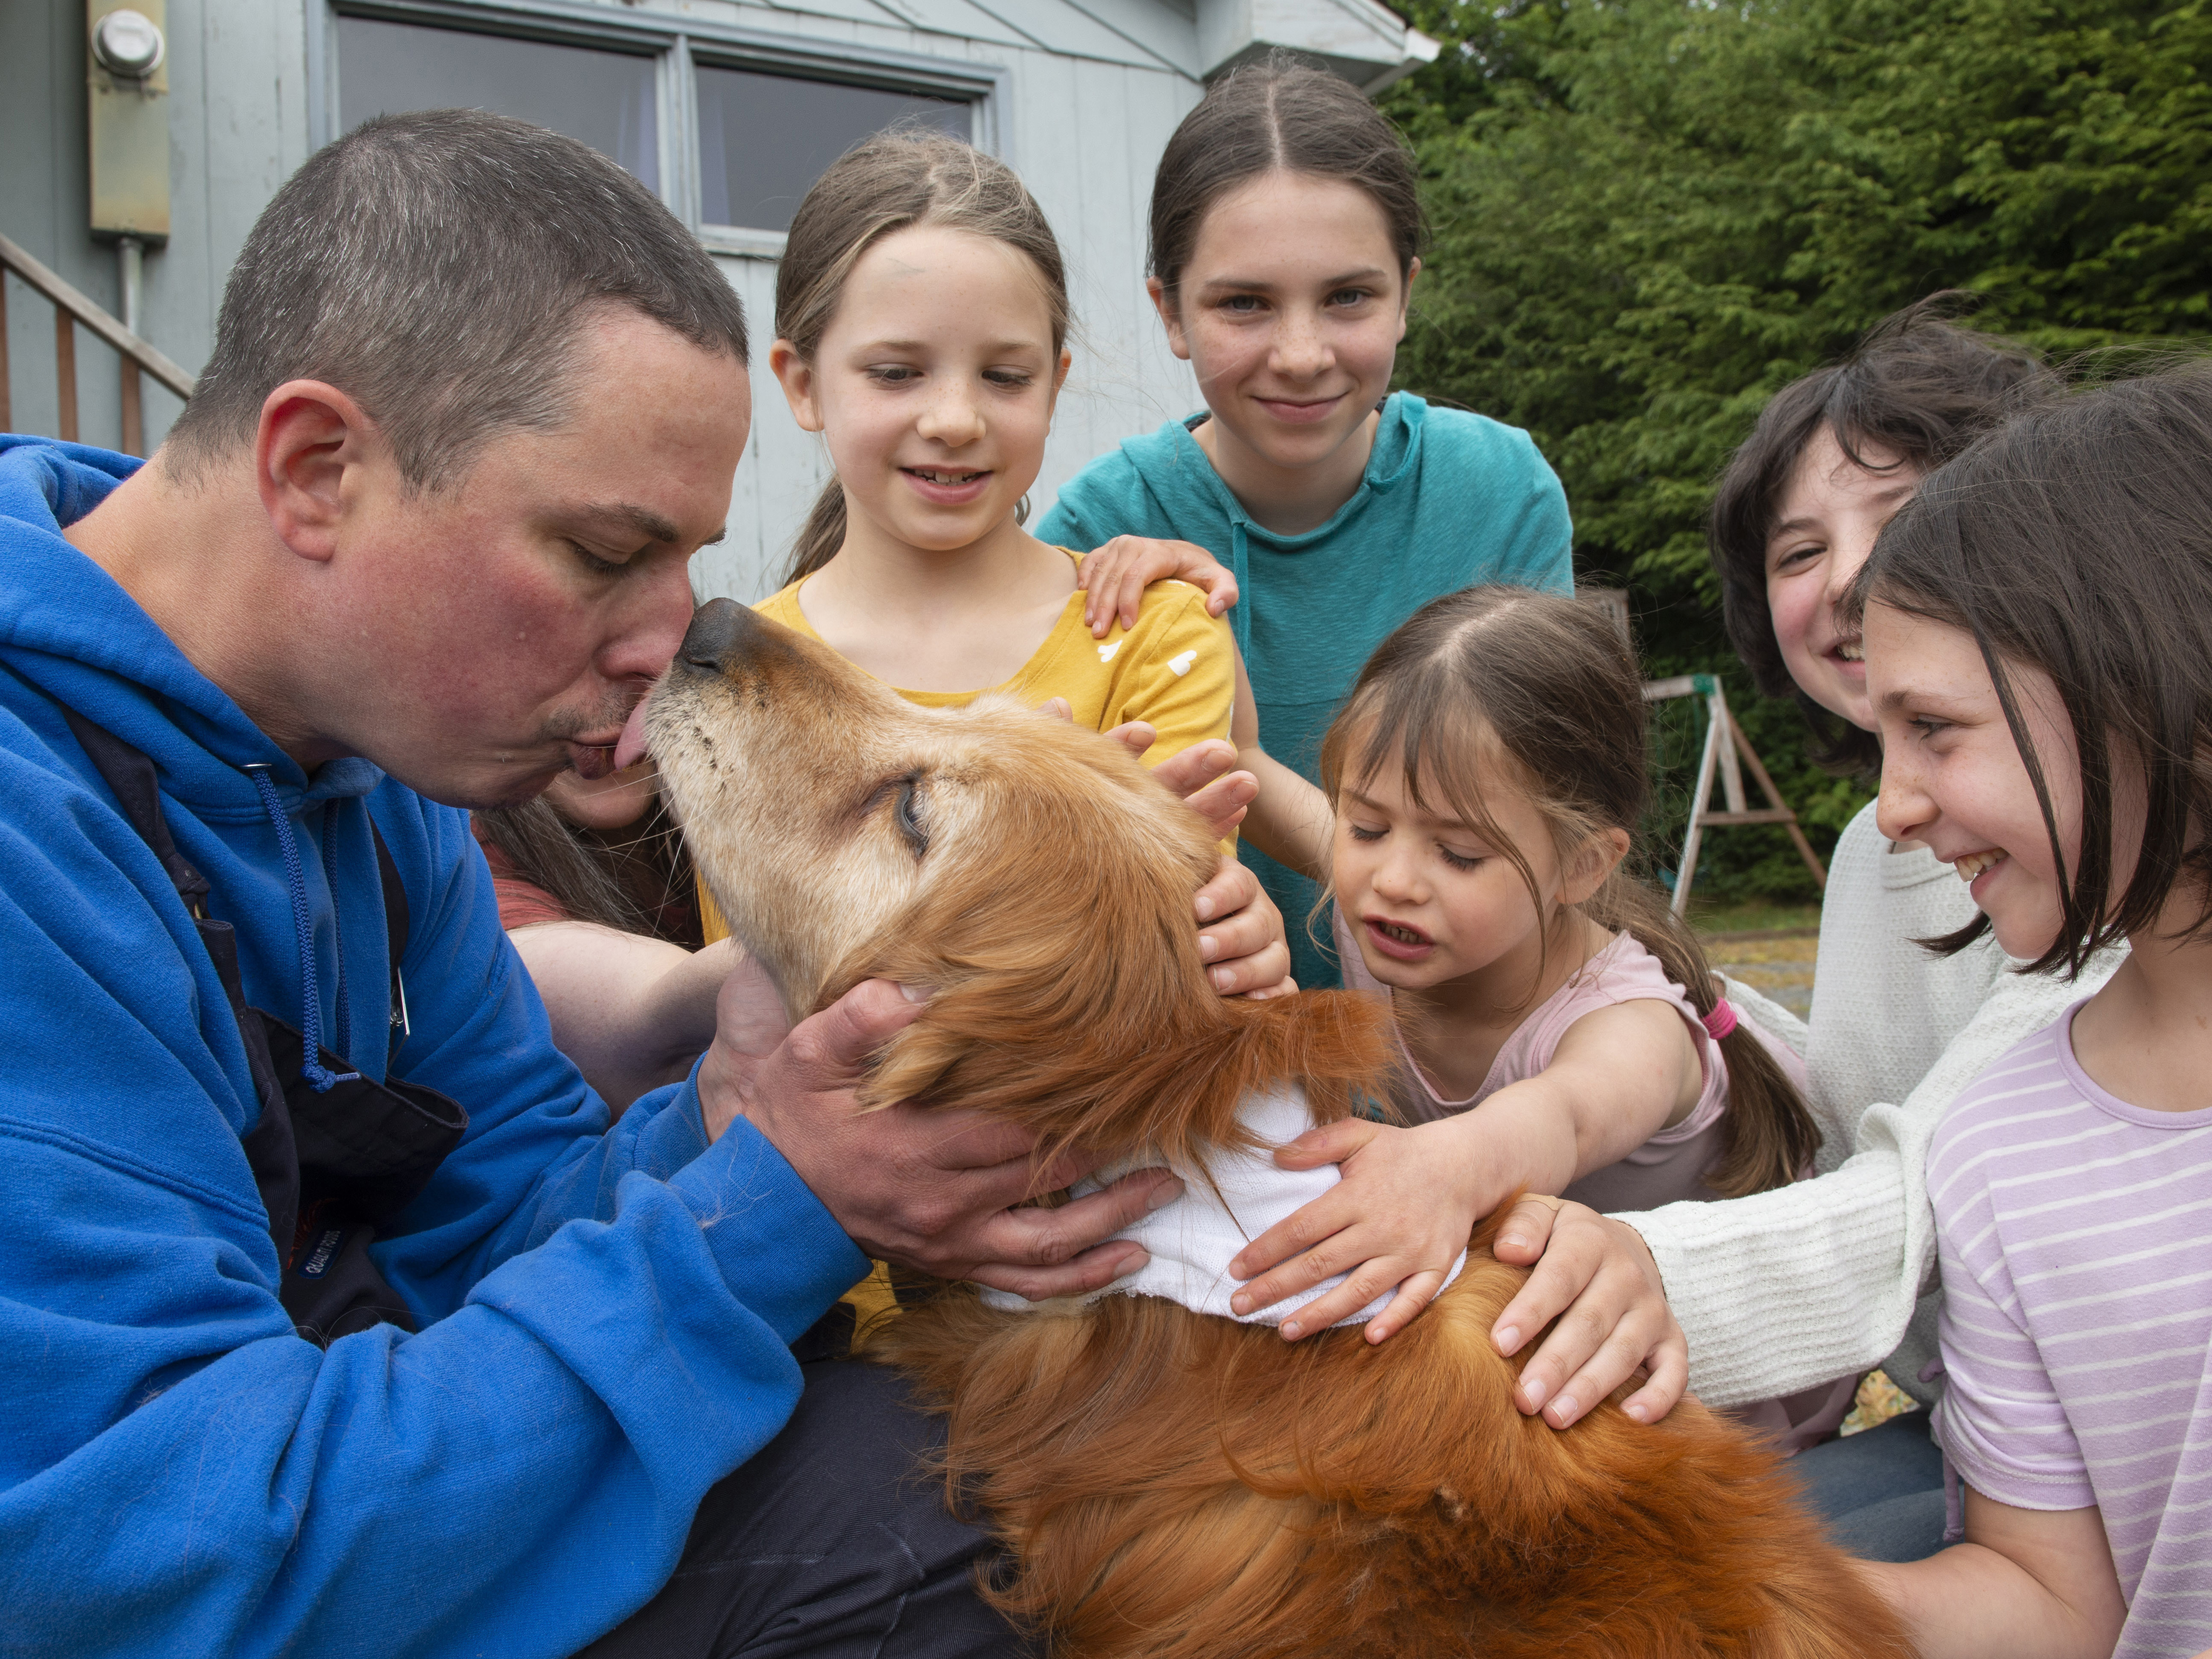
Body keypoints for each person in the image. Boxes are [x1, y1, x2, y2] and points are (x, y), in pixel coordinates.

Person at [0, 110, 1308, 1658]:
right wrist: (783, 1201)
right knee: (968, 1535)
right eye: (601, 551)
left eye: (686, 556)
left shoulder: (372, 770)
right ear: (316, 469)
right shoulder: (39, 828)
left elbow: (499, 1219)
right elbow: (148, 1556)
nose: (663, 637)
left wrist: (731, 1112)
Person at [1619, 300, 2125, 1560]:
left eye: (1902, 525)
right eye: (1797, 551)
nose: (1847, 579)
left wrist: (1581, 1282)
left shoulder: (2109, 850)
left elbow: (1919, 1198)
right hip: (1959, 1425)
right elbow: (1860, 1105)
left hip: (2123, 1447)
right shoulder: (1864, 851)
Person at [1209, 586, 1849, 1447]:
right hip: (1547, 1324)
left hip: (1702, 1378)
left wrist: (1443, 1167)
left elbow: (1562, 1112)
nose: (1390, 876)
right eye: (1364, 827)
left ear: (1580, 864)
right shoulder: (1405, 909)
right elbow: (1240, 752)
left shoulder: (1627, 1024)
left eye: (1459, 851)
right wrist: (1177, 593)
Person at [1037, 57, 1574, 989]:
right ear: (1169, 309)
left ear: (1406, 292)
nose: (1299, 354)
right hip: (1215, 1085)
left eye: (1347, 297)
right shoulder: (1097, 531)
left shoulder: (1500, 492)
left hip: (1476, 1069)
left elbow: (1539, 840)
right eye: (1244, 303)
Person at [1853, 365, 2212, 1659]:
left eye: (1933, 729)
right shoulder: (1999, 1149)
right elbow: (2052, 1604)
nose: (1891, 805)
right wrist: (1712, 1585)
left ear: (2149, 681)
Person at [744, 129, 1236, 908]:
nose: (954, 419)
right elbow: (766, 978)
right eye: (897, 373)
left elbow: (1166, 957)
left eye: (1005, 376)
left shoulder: (1158, 637)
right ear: (802, 384)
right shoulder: (743, 678)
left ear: (1053, 383)